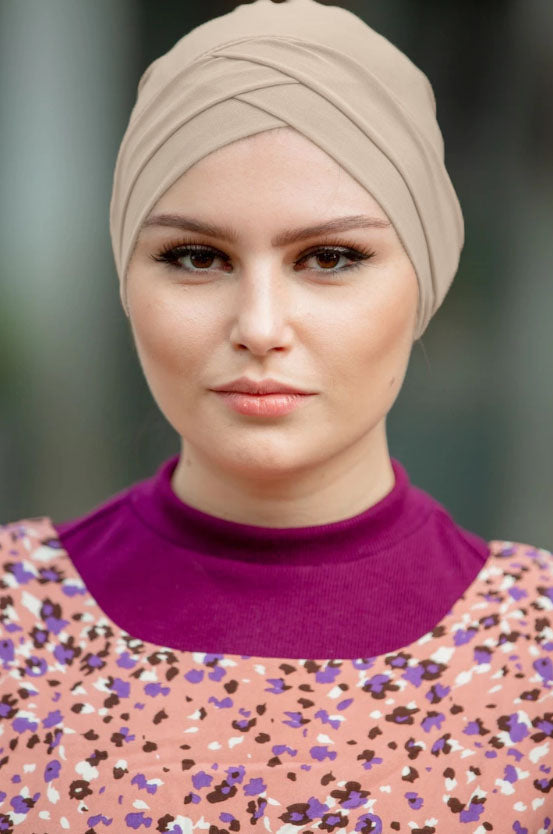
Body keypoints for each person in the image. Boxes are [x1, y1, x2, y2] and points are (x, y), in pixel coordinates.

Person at [1, 0, 552, 830]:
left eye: (330, 258)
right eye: (196, 257)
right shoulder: (14, 622)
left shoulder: (538, 652)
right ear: (127, 280)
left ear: (425, 284)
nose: (259, 326)